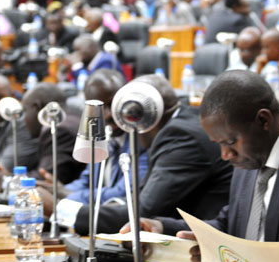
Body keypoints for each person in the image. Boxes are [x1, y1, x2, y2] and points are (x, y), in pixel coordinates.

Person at [134, 70, 279, 262]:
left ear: (263, 121)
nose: (225, 155)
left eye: (230, 142)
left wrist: (250, 260)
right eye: (219, 144)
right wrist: (162, 227)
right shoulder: (250, 154)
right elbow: (231, 223)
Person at [61, 75, 232, 235]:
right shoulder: (181, 124)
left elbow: (141, 211)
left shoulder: (181, 136)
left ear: (144, 114)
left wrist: (59, 209)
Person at [39, 69, 148, 218]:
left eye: (114, 104)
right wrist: (56, 190)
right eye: (100, 108)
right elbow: (87, 180)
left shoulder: (141, 140)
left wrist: (66, 195)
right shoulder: (100, 136)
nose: (109, 114)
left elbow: (124, 192)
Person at [21, 83, 84, 184]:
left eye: (24, 111)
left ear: (37, 107)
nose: (23, 119)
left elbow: (46, 179)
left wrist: (6, 181)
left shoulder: (58, 130)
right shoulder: (75, 117)